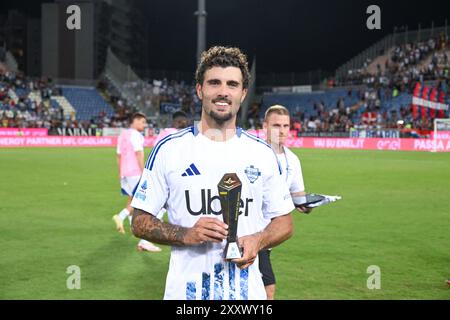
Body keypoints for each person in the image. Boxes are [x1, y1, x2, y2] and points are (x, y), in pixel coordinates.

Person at [130, 46, 295, 300]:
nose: (223, 92)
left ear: (242, 93)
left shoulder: (262, 154)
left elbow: (284, 222)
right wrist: (186, 234)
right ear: (200, 90)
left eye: (232, 84)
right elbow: (139, 221)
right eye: (214, 83)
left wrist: (259, 240)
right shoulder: (169, 150)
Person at [260, 104, 312, 300]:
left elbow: (298, 195)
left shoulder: (293, 159)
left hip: (272, 233)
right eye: (276, 125)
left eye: (285, 126)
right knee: (268, 288)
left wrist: (307, 204)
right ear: (265, 126)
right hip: (251, 231)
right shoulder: (253, 154)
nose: (281, 131)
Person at [112, 112, 162, 252]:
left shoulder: (122, 135)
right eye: (142, 122)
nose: (144, 125)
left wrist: (120, 173)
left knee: (132, 198)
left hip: (125, 173)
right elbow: (139, 153)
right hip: (135, 172)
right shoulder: (136, 135)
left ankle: (132, 225)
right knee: (143, 201)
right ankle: (122, 218)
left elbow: (118, 156)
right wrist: (144, 171)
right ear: (135, 121)